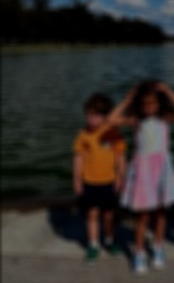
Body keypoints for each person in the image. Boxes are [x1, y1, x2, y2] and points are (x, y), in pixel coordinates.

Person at [108, 80, 174, 274]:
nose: (148, 107)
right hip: (142, 170)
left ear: (159, 103)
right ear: (139, 105)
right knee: (142, 216)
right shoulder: (136, 120)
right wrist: (127, 100)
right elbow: (111, 120)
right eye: (144, 104)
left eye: (152, 103)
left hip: (162, 170)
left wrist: (167, 91)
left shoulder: (165, 118)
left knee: (160, 213)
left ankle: (158, 247)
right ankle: (139, 252)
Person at [72, 93, 126, 262]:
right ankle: (93, 245)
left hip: (109, 182)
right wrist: (77, 180)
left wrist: (121, 178)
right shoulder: (84, 135)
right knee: (92, 215)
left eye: (95, 115)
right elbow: (79, 158)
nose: (91, 119)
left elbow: (120, 157)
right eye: (88, 115)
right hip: (89, 183)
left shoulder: (113, 134)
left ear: (106, 116)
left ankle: (109, 241)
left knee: (109, 216)